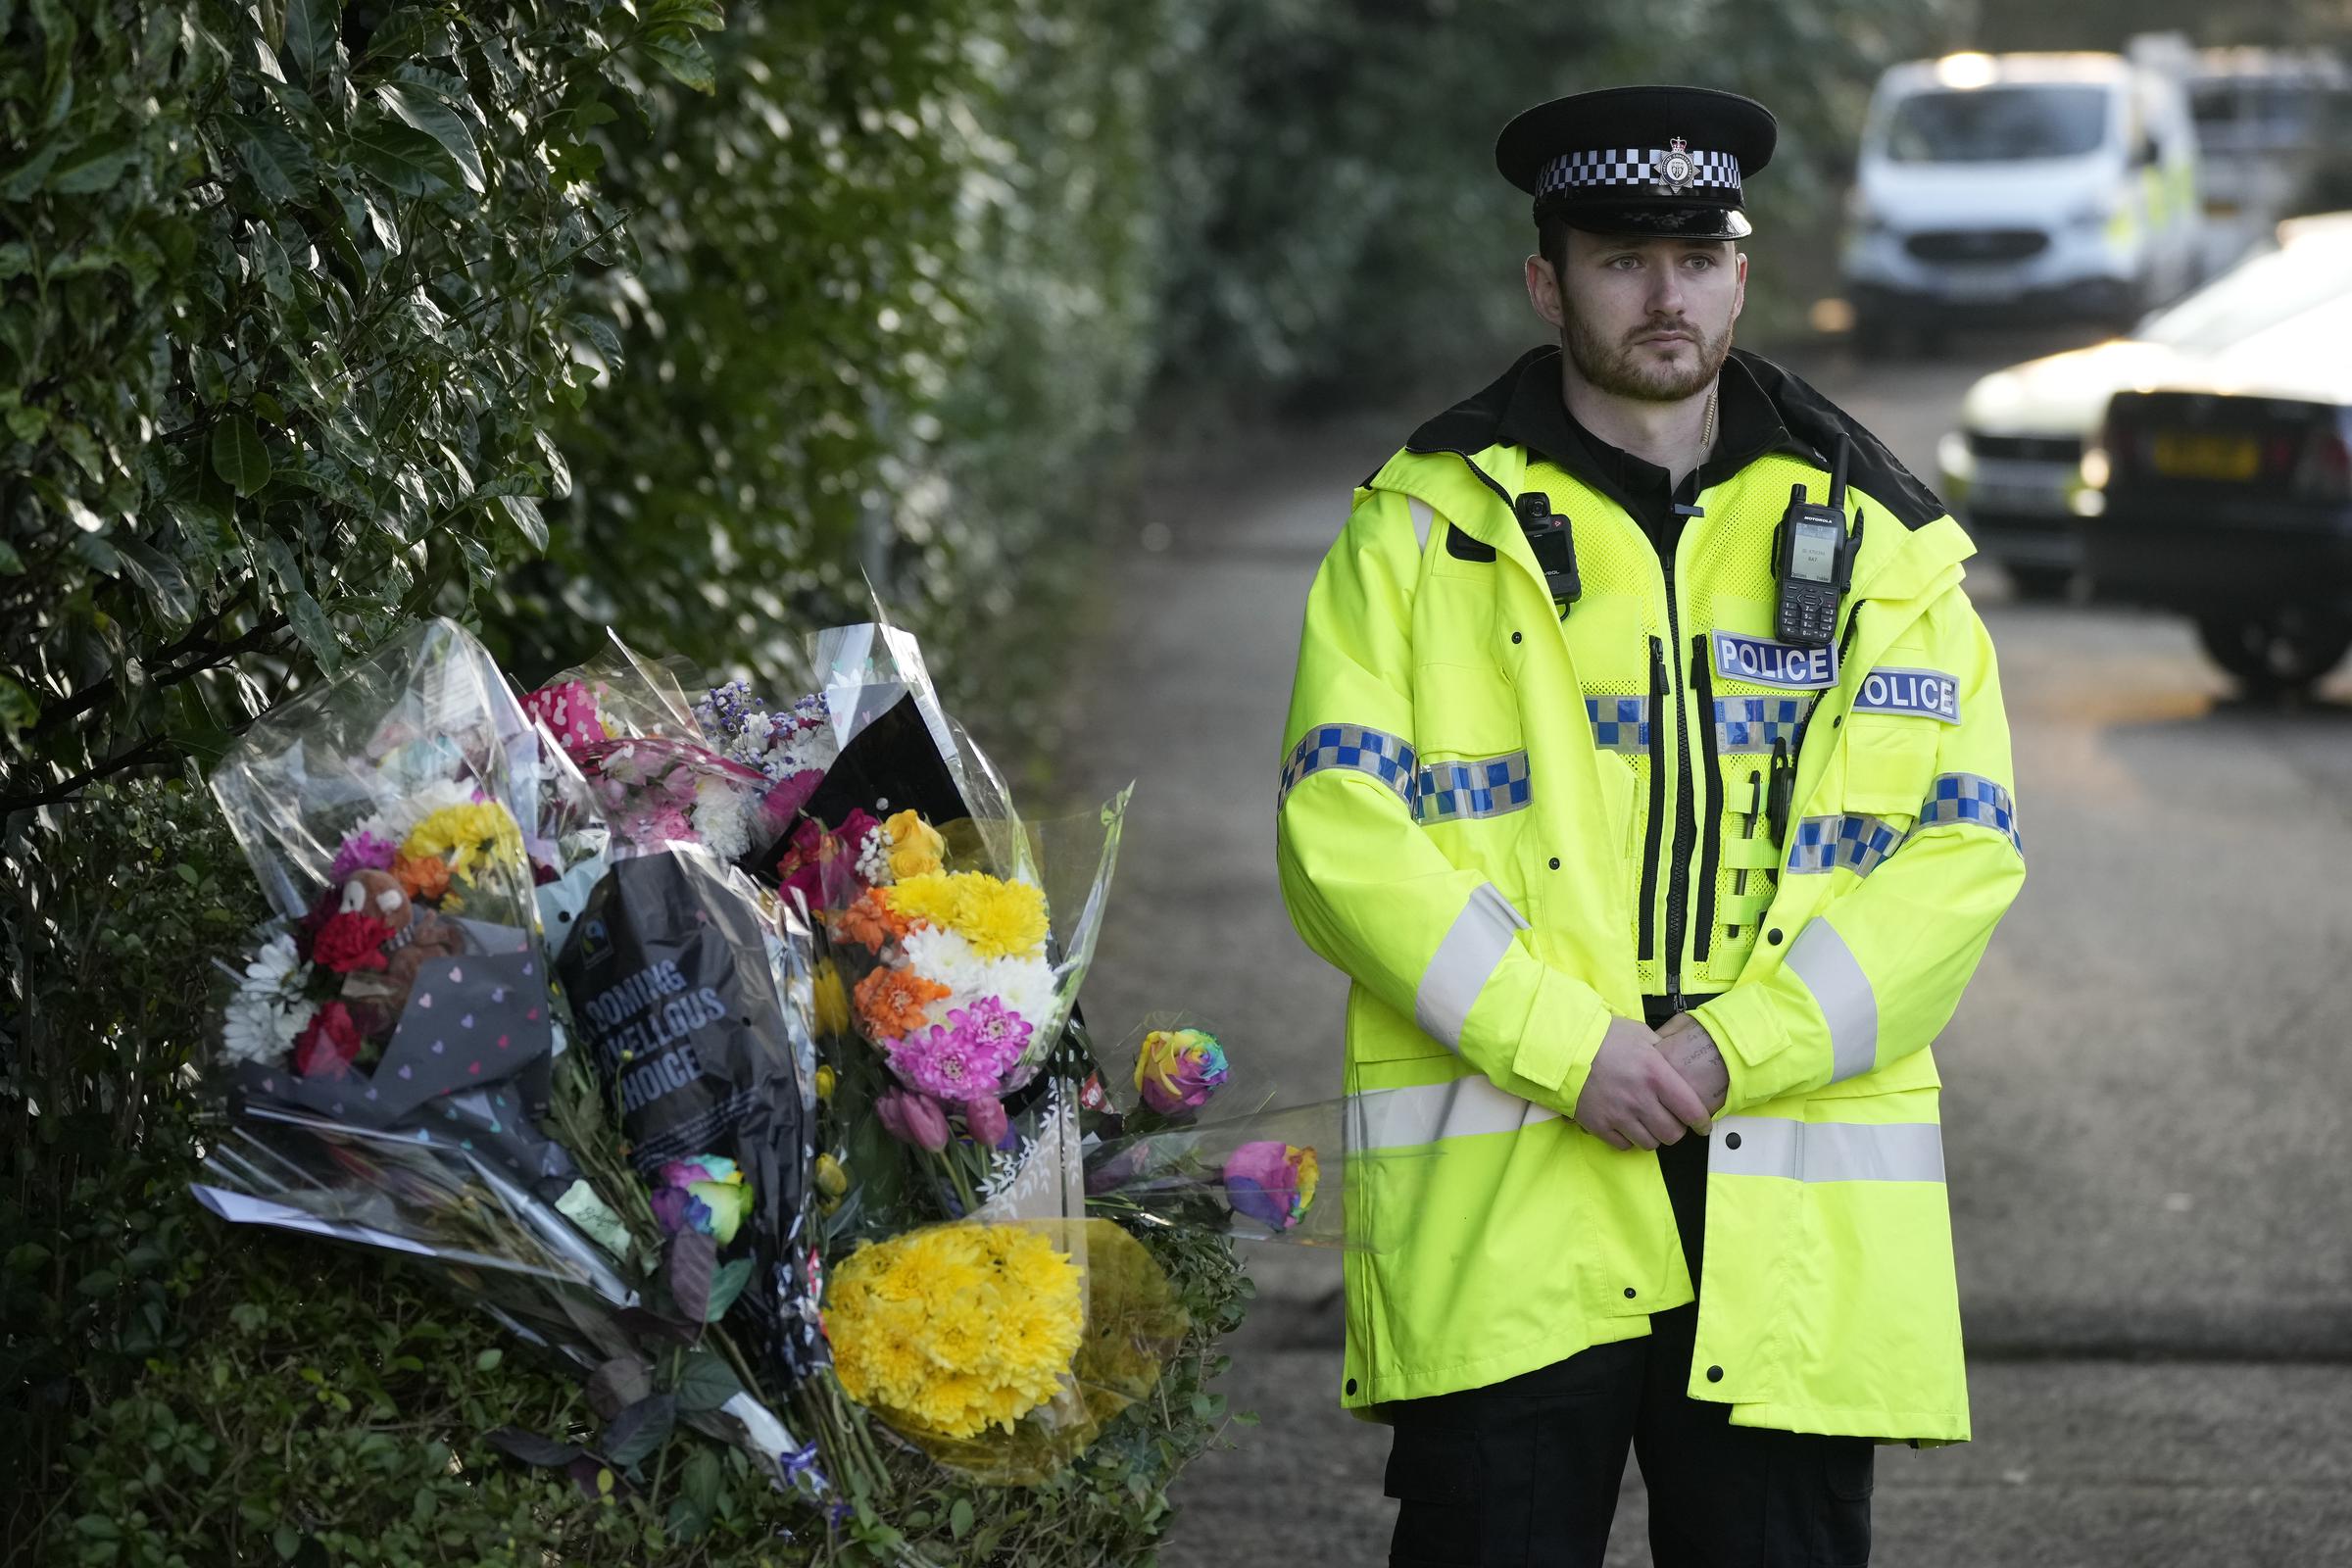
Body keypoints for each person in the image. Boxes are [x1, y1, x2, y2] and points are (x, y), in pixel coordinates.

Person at [1274, 84, 2027, 1566]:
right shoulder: (1419, 529)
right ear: (1547, 279)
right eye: (1621, 256)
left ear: (1743, 272)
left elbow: (1961, 851)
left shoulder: (1886, 546)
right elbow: (1336, 832)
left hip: (1788, 1175)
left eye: (1698, 254)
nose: (1664, 293)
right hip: (1521, 1167)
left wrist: (1734, 1046)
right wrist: (1579, 1050)